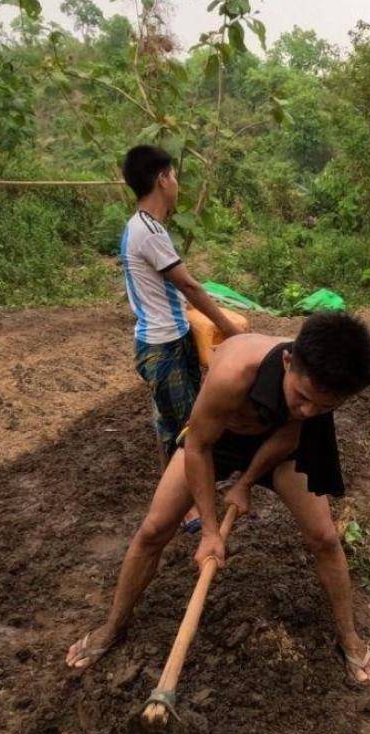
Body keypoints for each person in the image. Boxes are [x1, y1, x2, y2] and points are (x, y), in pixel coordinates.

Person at [66, 312, 370, 684]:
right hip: (216, 441)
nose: (310, 410)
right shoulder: (233, 373)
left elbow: (293, 429)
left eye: (325, 407)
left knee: (325, 538)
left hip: (278, 442)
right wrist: (210, 532)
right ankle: (112, 626)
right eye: (303, 397)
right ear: (286, 363)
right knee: (153, 530)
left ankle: (348, 636)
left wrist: (246, 482)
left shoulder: (316, 392)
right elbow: (198, 447)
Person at [120, 144, 242, 533]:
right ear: (161, 178)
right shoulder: (148, 230)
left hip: (168, 339)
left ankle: (177, 500)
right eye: (173, 176)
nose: (176, 184)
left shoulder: (143, 227)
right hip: (164, 346)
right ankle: (189, 509)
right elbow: (189, 285)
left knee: (169, 425)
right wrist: (232, 328)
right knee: (193, 429)